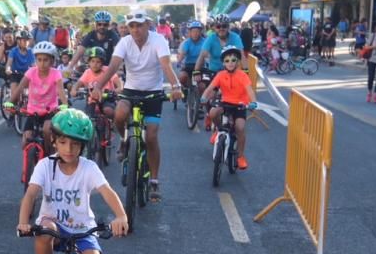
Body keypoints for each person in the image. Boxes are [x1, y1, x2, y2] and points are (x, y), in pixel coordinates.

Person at [16, 107, 129, 254]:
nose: (69, 149)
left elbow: (106, 192)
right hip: (55, 227)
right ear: (54, 141)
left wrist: (121, 216)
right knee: (45, 229)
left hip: (83, 229)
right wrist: (23, 222)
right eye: (64, 142)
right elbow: (31, 194)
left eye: (75, 144)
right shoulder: (45, 166)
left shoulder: (88, 168)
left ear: (83, 146)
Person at [88, 11, 182, 203]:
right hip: (131, 90)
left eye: (139, 25)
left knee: (152, 136)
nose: (135, 29)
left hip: (153, 93)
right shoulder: (124, 42)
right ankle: (124, 140)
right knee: (120, 114)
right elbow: (113, 66)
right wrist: (98, 86)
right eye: (131, 26)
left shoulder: (158, 40)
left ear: (147, 24)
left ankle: (154, 180)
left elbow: (166, 65)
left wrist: (176, 86)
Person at [202, 46, 255, 170]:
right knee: (213, 113)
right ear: (223, 63)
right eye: (227, 61)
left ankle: (240, 156)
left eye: (233, 60)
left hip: (240, 105)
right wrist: (204, 97)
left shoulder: (242, 75)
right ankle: (218, 130)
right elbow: (210, 88)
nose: (230, 63)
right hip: (226, 102)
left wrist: (253, 102)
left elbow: (250, 91)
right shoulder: (220, 75)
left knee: (240, 127)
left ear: (237, 62)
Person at [12, 42, 67, 156]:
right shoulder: (31, 72)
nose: (42, 63)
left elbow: (61, 91)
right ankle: (27, 170)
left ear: (52, 61)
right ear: (35, 60)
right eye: (39, 59)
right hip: (33, 111)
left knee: (47, 130)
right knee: (25, 141)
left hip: (50, 111)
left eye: (45, 60)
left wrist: (65, 105)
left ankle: (50, 155)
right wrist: (10, 102)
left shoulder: (56, 73)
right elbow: (20, 87)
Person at [71, 47, 122, 120]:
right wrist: (74, 89)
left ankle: (114, 122)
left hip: (107, 98)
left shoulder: (107, 70)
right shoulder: (87, 72)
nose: (95, 64)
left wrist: (119, 88)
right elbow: (79, 83)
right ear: (88, 62)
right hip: (92, 99)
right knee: (87, 117)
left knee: (108, 111)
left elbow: (118, 81)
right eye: (92, 61)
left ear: (102, 63)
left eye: (98, 62)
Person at [3, 30, 35, 112]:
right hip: (15, 74)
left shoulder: (30, 51)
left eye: (28, 40)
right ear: (19, 41)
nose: (26, 42)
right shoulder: (13, 51)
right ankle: (11, 115)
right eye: (24, 40)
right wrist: (8, 69)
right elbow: (9, 62)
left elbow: (34, 65)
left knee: (32, 92)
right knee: (14, 93)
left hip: (26, 74)